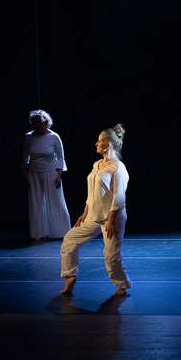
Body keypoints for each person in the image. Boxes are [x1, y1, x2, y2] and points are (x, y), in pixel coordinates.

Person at [59, 124, 132, 296]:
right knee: (70, 240)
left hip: (112, 218)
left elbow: (119, 196)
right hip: (92, 215)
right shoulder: (97, 164)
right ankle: (70, 276)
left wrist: (111, 220)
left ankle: (122, 285)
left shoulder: (118, 168)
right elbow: (92, 192)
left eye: (99, 141)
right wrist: (85, 212)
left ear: (108, 145)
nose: (96, 144)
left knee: (111, 255)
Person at [22, 109, 71, 240]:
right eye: (34, 123)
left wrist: (59, 175)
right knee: (36, 202)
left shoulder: (54, 136)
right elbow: (25, 156)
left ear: (46, 122)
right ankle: (38, 233)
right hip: (33, 172)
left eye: (39, 122)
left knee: (55, 201)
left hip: (51, 171)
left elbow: (60, 157)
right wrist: (25, 174)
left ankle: (60, 231)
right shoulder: (28, 136)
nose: (37, 125)